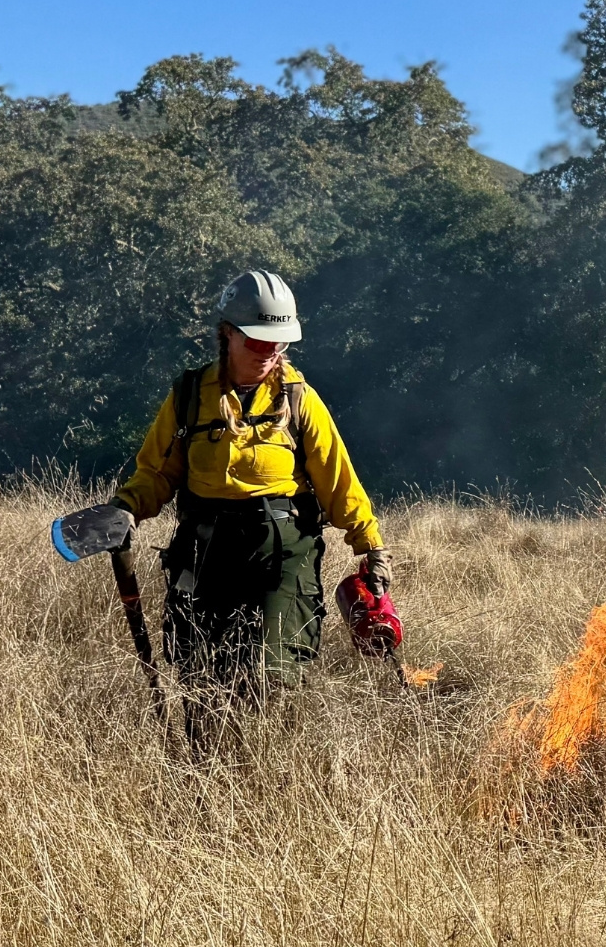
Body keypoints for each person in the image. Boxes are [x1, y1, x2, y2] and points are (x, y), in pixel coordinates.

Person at [93, 271, 390, 733]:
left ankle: (265, 770)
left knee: (269, 675)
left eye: (278, 344)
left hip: (281, 553)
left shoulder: (299, 399)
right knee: (200, 674)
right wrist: (126, 508)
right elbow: (157, 472)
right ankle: (201, 770)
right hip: (204, 549)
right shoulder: (189, 397)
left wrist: (370, 545)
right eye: (257, 343)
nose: (268, 353)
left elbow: (338, 480)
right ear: (227, 334)